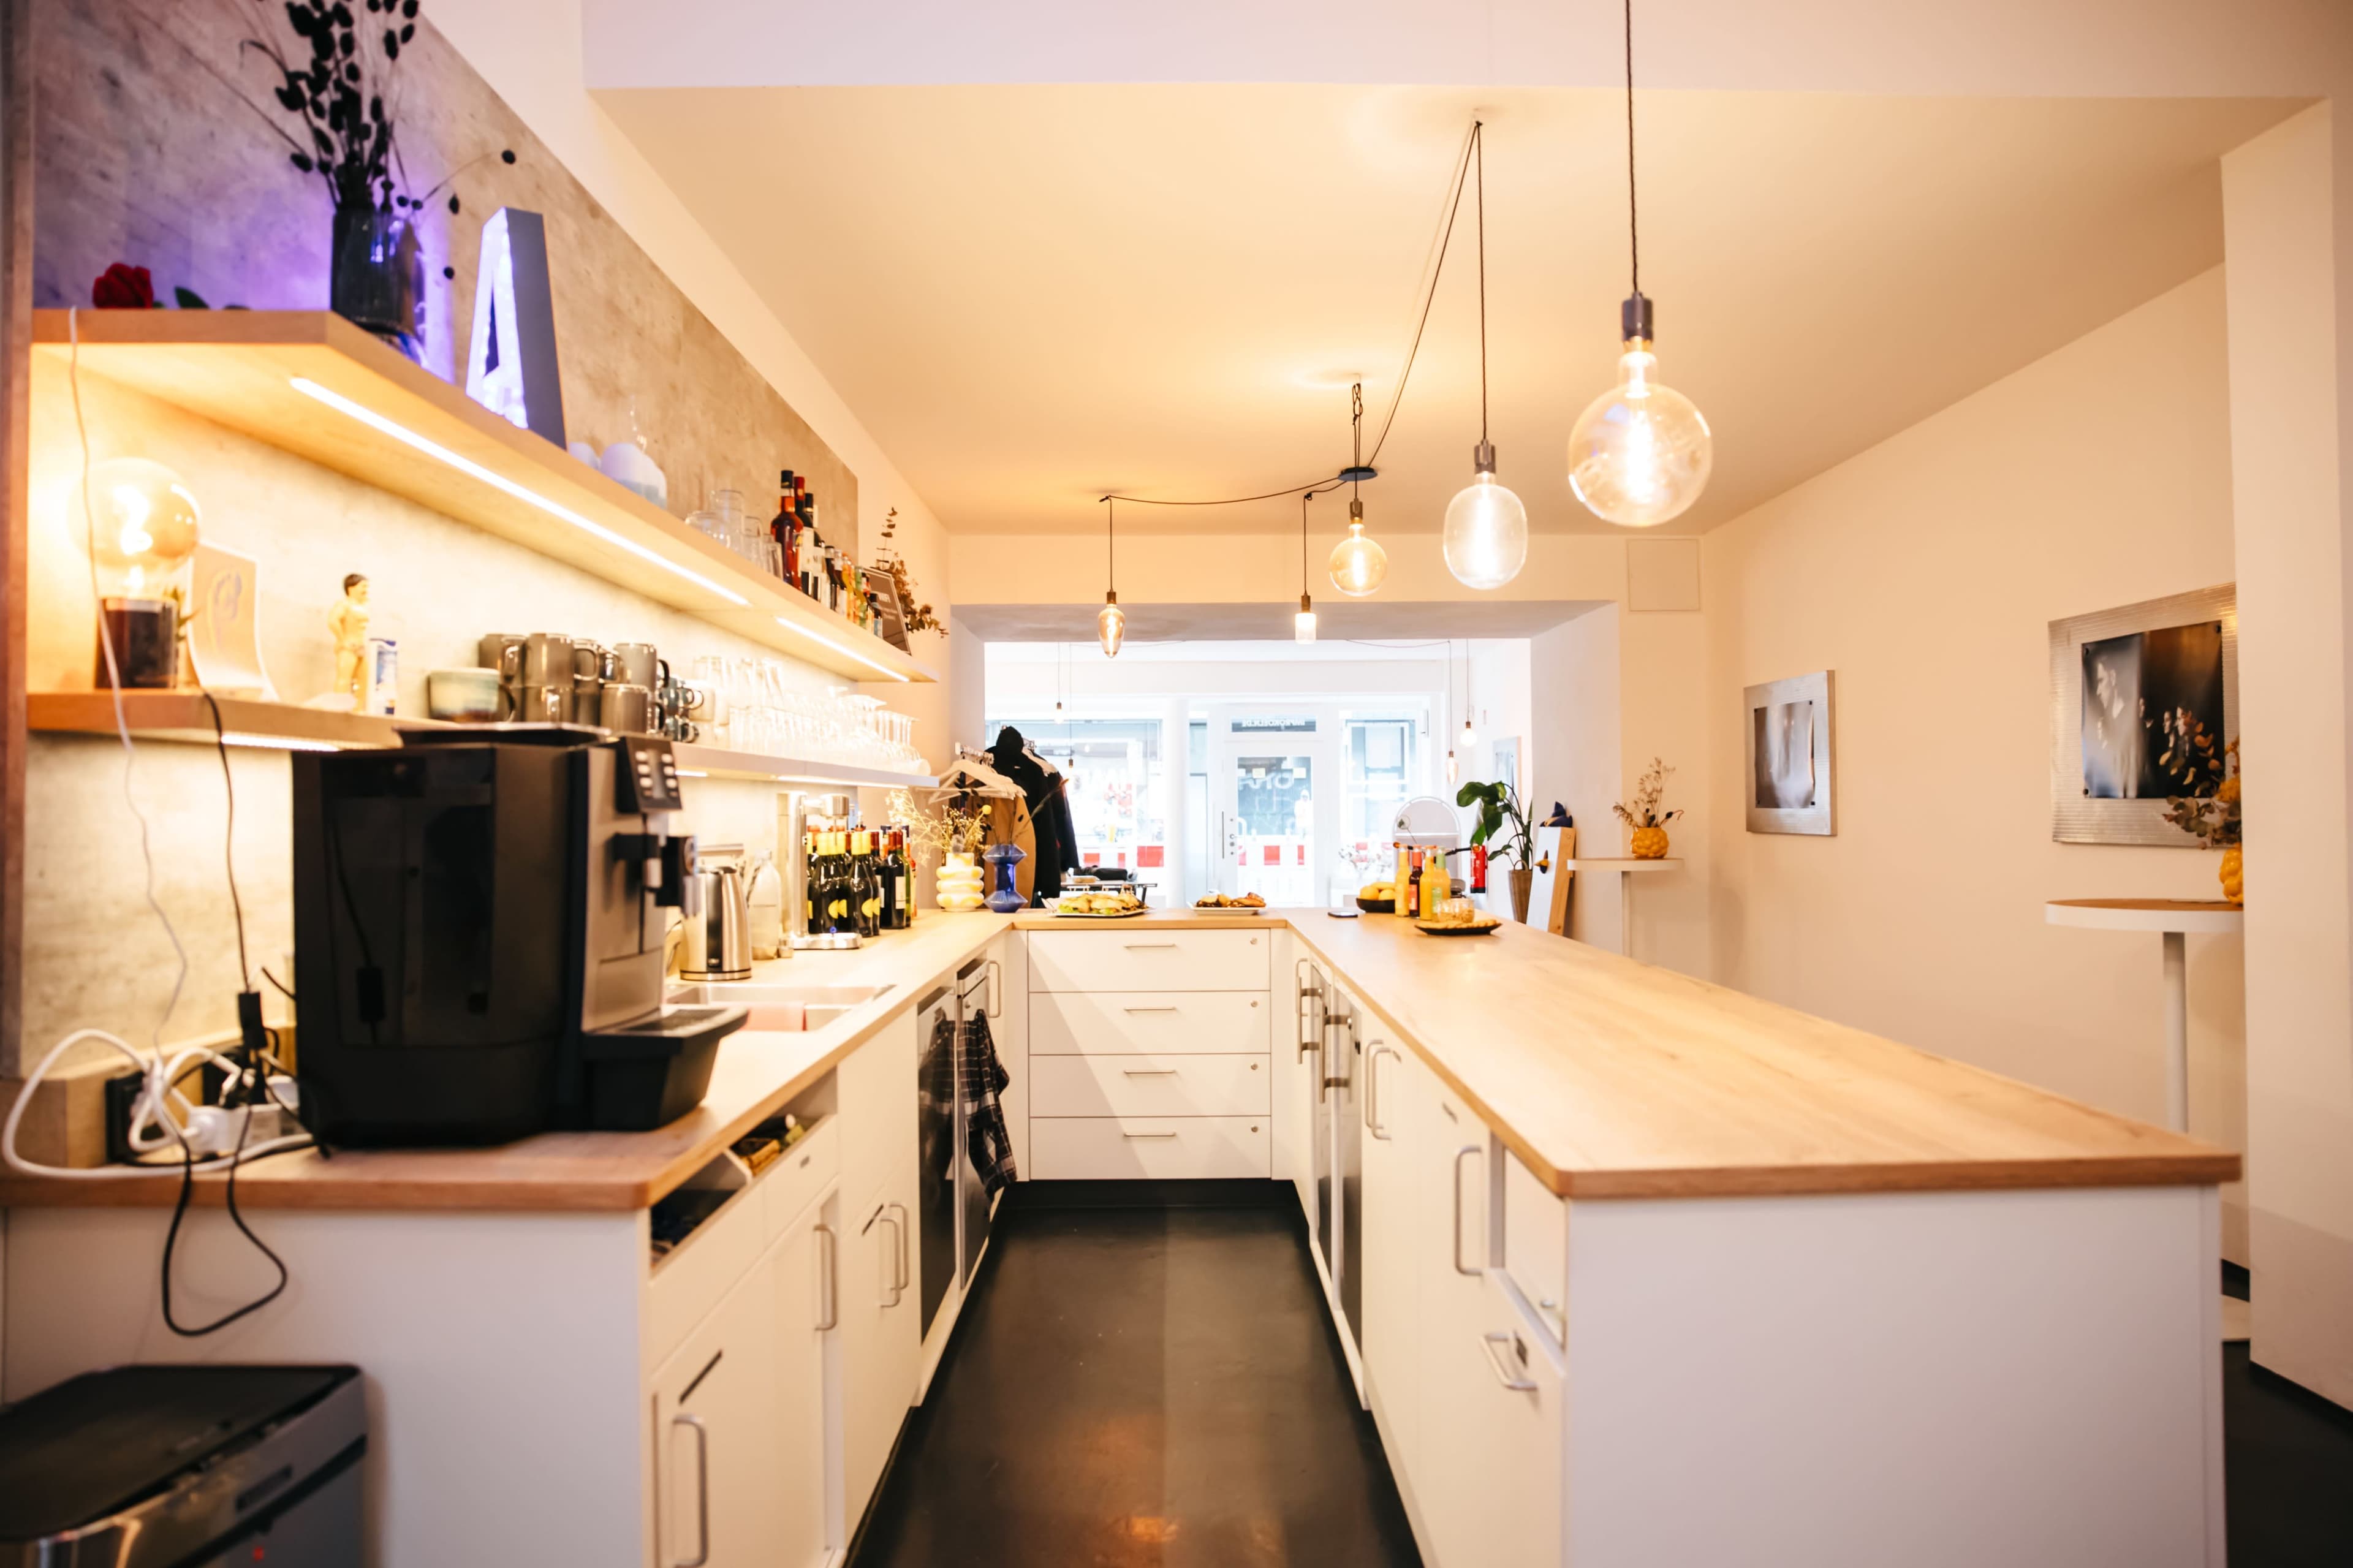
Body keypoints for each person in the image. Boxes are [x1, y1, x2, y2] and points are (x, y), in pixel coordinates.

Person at [328, 573, 371, 710]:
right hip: (348, 647)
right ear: (352, 588)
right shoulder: (344, 605)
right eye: (363, 586)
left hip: (361, 647)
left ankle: (357, 710)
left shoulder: (362, 605)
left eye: (367, 586)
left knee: (363, 679)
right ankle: (337, 710)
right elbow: (333, 621)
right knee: (344, 679)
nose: (365, 590)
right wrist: (343, 639)